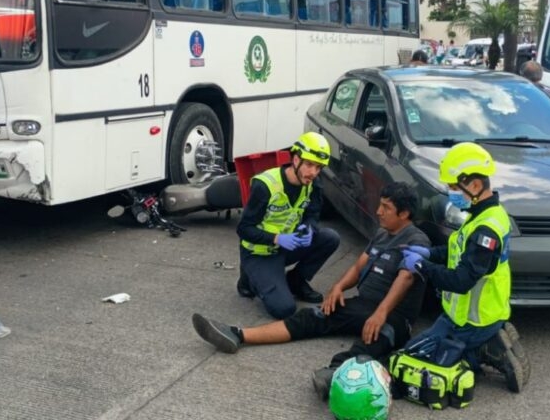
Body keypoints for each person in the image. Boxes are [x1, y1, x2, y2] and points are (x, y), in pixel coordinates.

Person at [193, 184, 429, 395]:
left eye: (386, 207)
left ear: (404, 213)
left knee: (380, 337)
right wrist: (337, 288)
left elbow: (406, 278)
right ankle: (238, 334)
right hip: (364, 304)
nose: (379, 212)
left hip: (395, 314)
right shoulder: (382, 234)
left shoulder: (417, 240)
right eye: (380, 205)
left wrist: (381, 314)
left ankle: (336, 373)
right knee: (313, 316)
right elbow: (360, 265)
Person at [397, 142, 529, 390]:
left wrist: (422, 267)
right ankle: (484, 342)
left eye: (454, 187)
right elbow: (459, 251)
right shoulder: (485, 214)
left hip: (472, 321)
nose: (450, 192)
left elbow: (462, 280)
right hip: (462, 316)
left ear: (475, 185)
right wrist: (430, 253)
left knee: (413, 359)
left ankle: (487, 350)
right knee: (418, 351)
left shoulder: (485, 229)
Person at [233, 132, 342, 320]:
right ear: (296, 159)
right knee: (284, 309)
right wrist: (277, 238)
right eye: (309, 165)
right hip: (259, 253)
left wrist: (309, 228)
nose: (313, 173)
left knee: (330, 238)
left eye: (319, 167)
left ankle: (296, 281)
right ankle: (249, 279)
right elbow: (243, 229)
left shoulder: (314, 184)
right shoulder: (265, 185)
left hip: (288, 245)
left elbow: (313, 215)